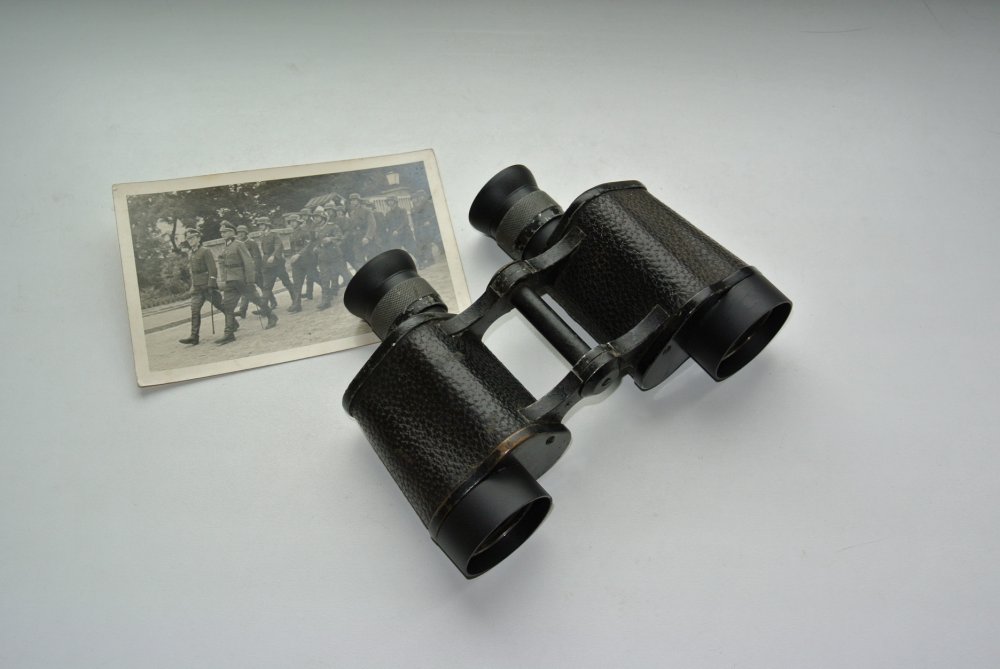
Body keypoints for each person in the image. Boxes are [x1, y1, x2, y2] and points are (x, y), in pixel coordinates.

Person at [217, 222, 277, 344]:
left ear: (232, 232)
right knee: (227, 306)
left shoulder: (239, 244)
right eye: (221, 232)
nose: (222, 234)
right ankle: (229, 333)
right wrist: (223, 279)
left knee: (256, 300)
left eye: (225, 232)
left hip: (242, 280)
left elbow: (248, 262)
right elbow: (222, 264)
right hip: (230, 281)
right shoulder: (225, 246)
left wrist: (250, 280)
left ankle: (271, 316)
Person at [178, 228, 227, 345]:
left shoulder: (205, 251)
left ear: (198, 238)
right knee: (194, 310)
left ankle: (233, 323)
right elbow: (192, 272)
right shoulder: (191, 253)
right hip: (197, 288)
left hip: (207, 286)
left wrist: (211, 284)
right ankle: (194, 336)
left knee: (221, 306)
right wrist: (193, 286)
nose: (190, 240)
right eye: (188, 239)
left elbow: (212, 269)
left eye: (192, 238)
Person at [309, 207, 349, 310]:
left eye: (317, 217)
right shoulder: (315, 229)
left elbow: (340, 237)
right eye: (314, 217)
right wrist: (316, 247)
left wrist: (330, 239)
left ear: (323, 217)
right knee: (324, 278)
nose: (315, 219)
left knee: (346, 275)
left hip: (335, 256)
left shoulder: (332, 226)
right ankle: (326, 300)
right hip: (323, 257)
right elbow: (314, 241)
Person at [257, 215, 293, 309]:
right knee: (266, 286)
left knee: (287, 282)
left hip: (277, 263)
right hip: (267, 264)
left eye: (262, 224)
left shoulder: (274, 235)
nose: (260, 226)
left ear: (267, 225)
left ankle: (296, 301)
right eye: (259, 225)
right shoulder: (262, 236)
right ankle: (264, 308)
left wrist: (273, 255)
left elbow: (278, 246)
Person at [286, 213, 315, 313]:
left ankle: (328, 292)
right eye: (291, 222)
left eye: (294, 221)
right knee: (297, 283)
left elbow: (308, 244)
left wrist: (298, 254)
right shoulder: (291, 234)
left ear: (298, 222)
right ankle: (297, 305)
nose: (292, 223)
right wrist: (291, 258)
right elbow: (292, 248)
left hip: (306, 259)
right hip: (296, 262)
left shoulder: (304, 232)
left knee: (315, 277)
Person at [234, 223, 265, 318]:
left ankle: (270, 303)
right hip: (245, 271)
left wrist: (256, 269)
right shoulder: (238, 244)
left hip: (254, 270)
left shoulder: (251, 242)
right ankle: (242, 310)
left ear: (246, 233)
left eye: (242, 232)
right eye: (238, 232)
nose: (240, 234)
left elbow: (257, 257)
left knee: (263, 287)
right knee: (246, 290)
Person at [344, 192, 377, 271]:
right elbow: (351, 227)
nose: (352, 201)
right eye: (351, 200)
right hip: (357, 238)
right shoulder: (352, 213)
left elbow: (372, 224)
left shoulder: (366, 210)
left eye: (354, 200)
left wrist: (367, 237)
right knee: (358, 259)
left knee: (371, 258)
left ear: (359, 201)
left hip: (366, 237)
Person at [410, 189, 440, 267]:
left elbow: (434, 215)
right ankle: (425, 260)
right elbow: (414, 220)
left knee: (427, 243)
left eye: (416, 198)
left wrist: (429, 221)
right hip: (418, 229)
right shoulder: (414, 209)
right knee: (420, 244)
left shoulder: (428, 205)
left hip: (427, 227)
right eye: (413, 199)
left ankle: (430, 260)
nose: (415, 200)